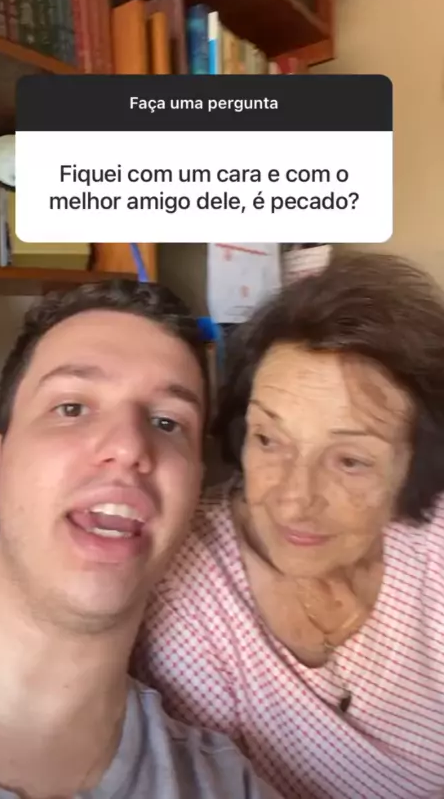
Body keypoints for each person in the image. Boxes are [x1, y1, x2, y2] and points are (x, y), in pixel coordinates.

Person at [133, 253, 444, 799]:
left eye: (350, 460)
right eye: (269, 440)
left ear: (417, 467)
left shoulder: (433, 538)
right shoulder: (188, 592)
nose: (293, 500)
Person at [0, 280, 280, 799]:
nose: (131, 446)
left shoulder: (227, 785)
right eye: (72, 408)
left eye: (167, 422)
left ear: (193, 495)